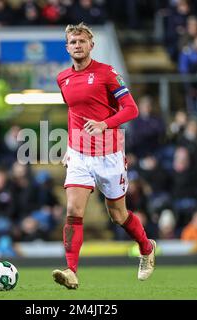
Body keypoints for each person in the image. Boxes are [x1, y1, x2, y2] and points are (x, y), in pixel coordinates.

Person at [52, 22, 156, 290]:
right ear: (67, 47)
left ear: (91, 45)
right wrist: (70, 145)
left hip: (109, 155)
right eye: (73, 42)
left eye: (82, 41)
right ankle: (71, 270)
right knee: (73, 210)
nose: (77, 46)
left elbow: (131, 110)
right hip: (79, 156)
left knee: (118, 215)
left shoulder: (107, 73)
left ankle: (146, 248)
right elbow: (74, 114)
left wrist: (104, 124)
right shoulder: (62, 78)